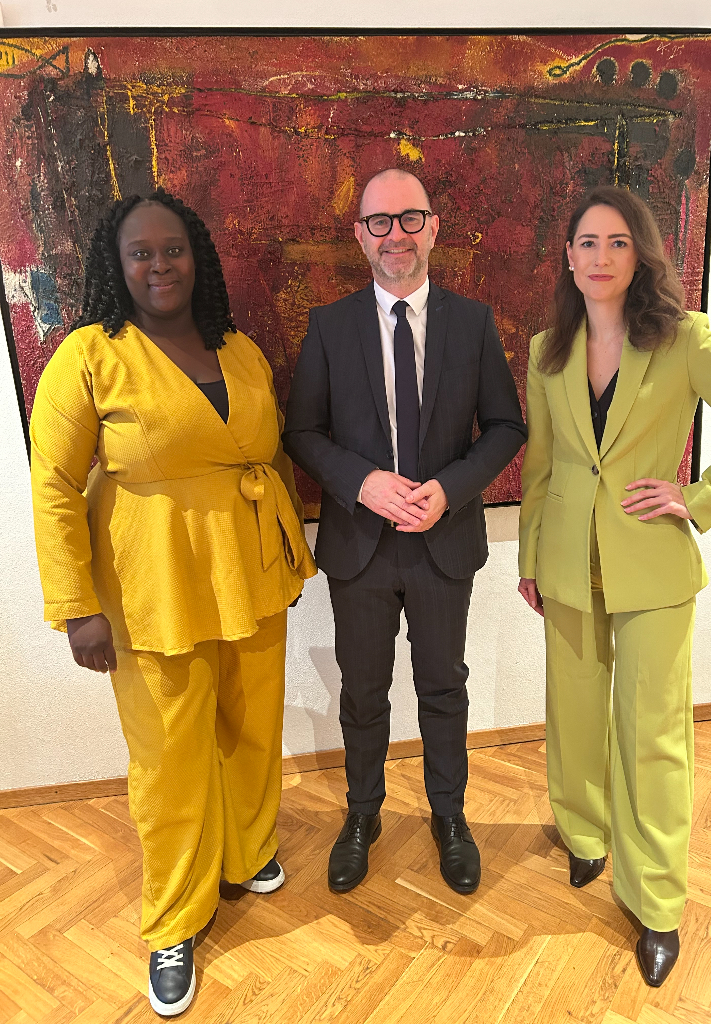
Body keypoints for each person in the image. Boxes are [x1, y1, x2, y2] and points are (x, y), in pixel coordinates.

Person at [29, 188, 316, 1017]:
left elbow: (268, 454)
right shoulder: (90, 354)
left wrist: (290, 549)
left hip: (250, 571)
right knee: (170, 759)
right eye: (141, 252)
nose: (160, 265)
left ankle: (246, 854)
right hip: (152, 584)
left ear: (198, 258)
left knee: (252, 727)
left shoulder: (239, 348)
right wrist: (76, 604)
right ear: (115, 267)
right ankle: (173, 921)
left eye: (173, 249)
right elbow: (53, 484)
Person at [517, 184, 711, 987]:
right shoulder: (546, 350)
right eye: (587, 242)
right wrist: (528, 558)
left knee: (652, 733)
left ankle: (656, 899)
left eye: (617, 242)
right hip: (566, 562)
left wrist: (696, 497)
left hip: (653, 567)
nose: (601, 257)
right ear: (567, 257)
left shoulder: (683, 339)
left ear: (640, 255)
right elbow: (542, 465)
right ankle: (585, 835)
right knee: (573, 713)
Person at [283, 168, 526, 896]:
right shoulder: (328, 326)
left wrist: (449, 489)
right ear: (360, 235)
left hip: (442, 546)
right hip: (359, 549)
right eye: (380, 222)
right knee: (363, 692)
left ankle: (449, 816)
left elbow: (505, 425)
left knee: (443, 686)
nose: (397, 235)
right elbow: (302, 432)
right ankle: (362, 815)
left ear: (433, 227)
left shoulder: (472, 323)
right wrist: (361, 481)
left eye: (410, 218)